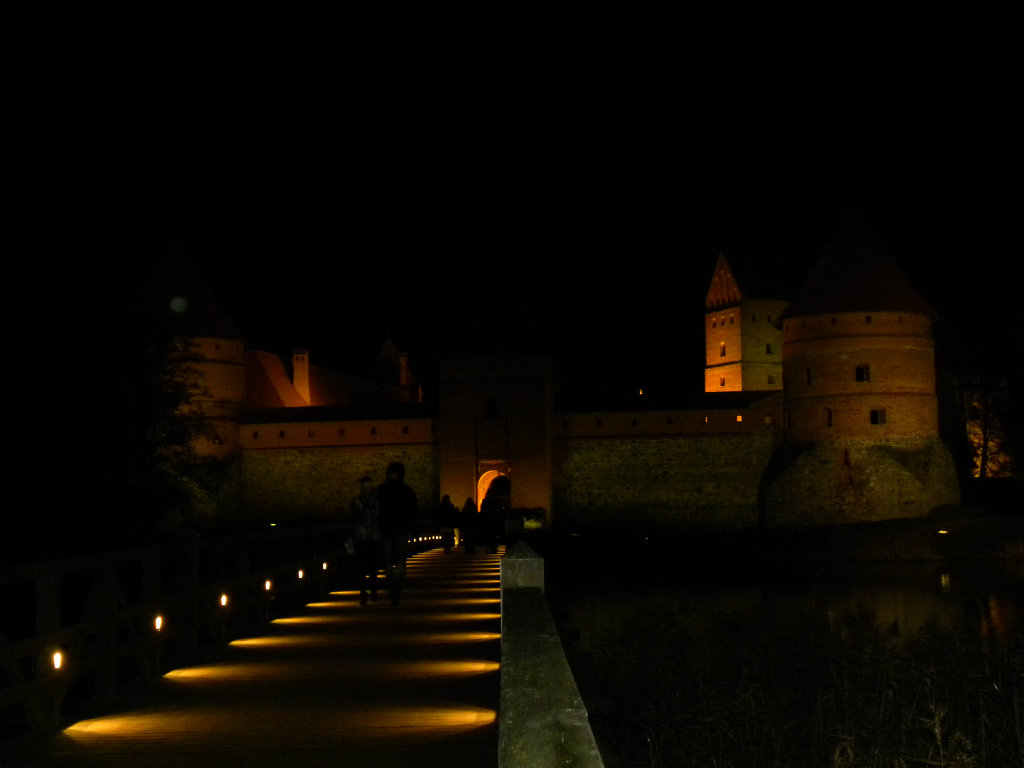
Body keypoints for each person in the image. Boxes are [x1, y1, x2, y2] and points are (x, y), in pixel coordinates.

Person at [376, 461, 419, 604]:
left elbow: (413, 512)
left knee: (396, 562)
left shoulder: (382, 490)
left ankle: (396, 590)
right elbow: (413, 511)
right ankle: (395, 589)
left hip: (394, 532)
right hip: (390, 532)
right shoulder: (406, 491)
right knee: (392, 562)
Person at [349, 475, 382, 606]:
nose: (367, 489)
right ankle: (364, 592)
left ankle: (372, 590)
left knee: (372, 567)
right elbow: (352, 519)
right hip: (363, 537)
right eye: (365, 487)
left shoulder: (375, 501)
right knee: (362, 567)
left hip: (372, 537)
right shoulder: (358, 502)